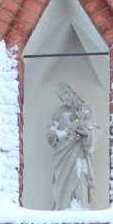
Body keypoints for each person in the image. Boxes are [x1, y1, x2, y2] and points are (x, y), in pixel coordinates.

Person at [47, 82, 97, 210]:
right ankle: (63, 209)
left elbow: (95, 131)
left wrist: (85, 133)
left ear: (72, 92)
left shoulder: (86, 109)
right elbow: (51, 133)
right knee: (62, 183)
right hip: (63, 155)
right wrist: (64, 134)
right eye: (61, 96)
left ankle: (81, 209)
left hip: (80, 154)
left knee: (80, 179)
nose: (64, 97)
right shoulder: (59, 112)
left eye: (65, 93)